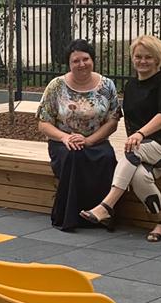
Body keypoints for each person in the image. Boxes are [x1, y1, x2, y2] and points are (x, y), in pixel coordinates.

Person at [79, 35, 161, 242]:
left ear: (158, 59)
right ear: (132, 58)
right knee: (139, 176)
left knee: (133, 150)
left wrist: (140, 134)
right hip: (146, 151)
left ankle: (106, 206)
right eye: (138, 56)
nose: (143, 61)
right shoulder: (132, 86)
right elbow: (126, 120)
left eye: (148, 57)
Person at [36, 39, 121, 231]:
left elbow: (113, 121)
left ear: (92, 60)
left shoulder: (107, 85)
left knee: (107, 157)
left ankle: (102, 213)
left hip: (96, 140)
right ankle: (71, 217)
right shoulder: (56, 86)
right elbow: (43, 122)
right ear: (69, 63)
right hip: (63, 141)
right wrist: (65, 137)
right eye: (76, 61)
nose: (81, 64)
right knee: (74, 156)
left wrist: (89, 140)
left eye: (85, 59)